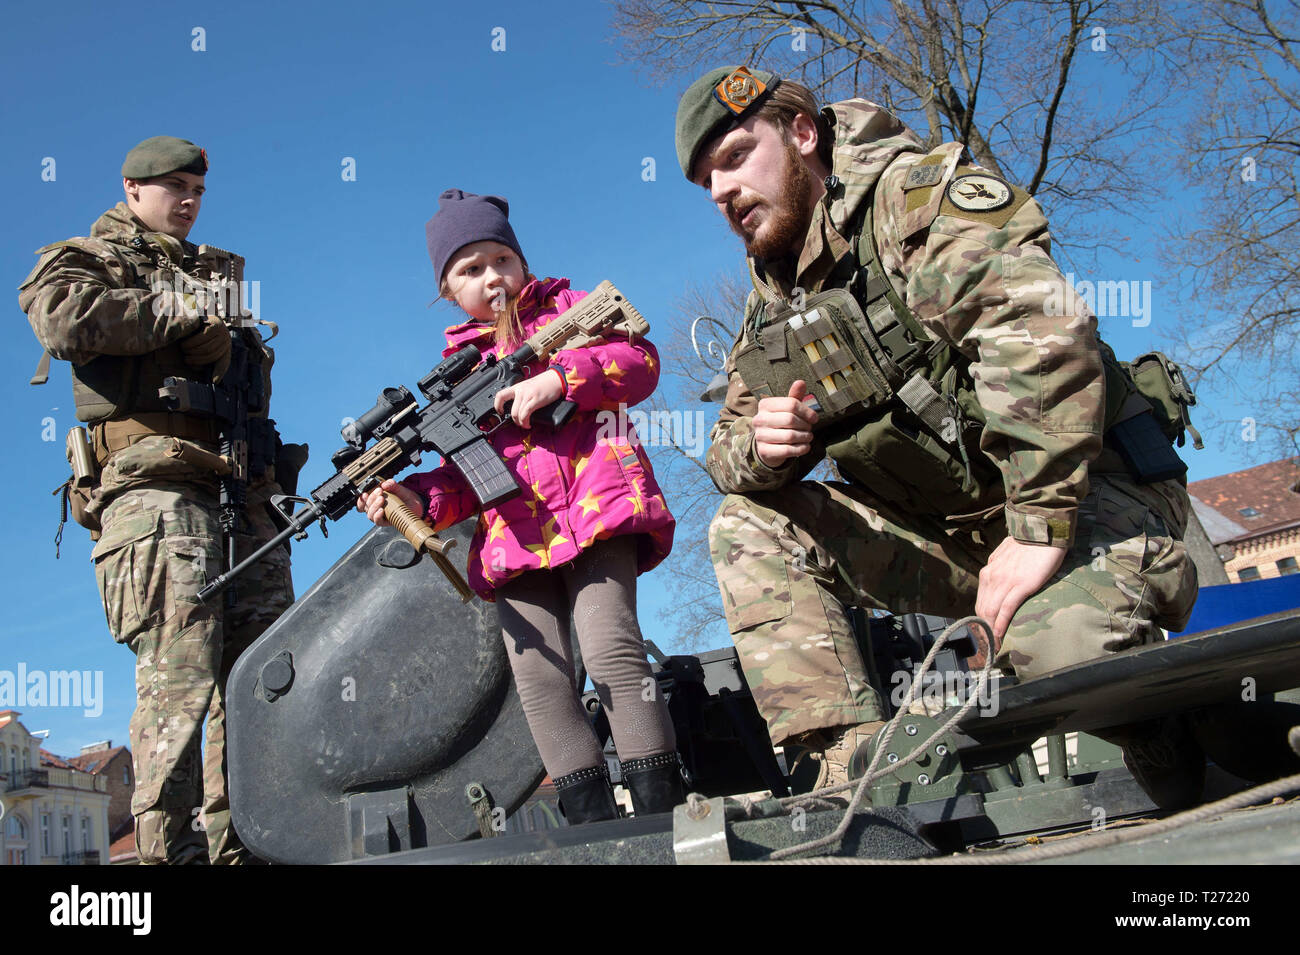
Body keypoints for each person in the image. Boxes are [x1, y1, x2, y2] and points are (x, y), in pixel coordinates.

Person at [674, 67, 1201, 804]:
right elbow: (725, 450)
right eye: (705, 183)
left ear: (801, 134)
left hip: (1088, 500)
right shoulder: (771, 312)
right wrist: (762, 449)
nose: (722, 192)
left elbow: (1037, 330)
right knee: (749, 524)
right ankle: (851, 781)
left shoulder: (911, 201)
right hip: (959, 546)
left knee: (1062, 646)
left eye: (734, 157)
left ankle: (1203, 761)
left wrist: (1040, 521)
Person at [19, 136, 305, 862]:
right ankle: (166, 854)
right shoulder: (89, 257)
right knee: (183, 680)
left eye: (198, 190)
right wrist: (179, 312)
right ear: (131, 188)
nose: (188, 200)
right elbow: (59, 317)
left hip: (241, 492)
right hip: (154, 492)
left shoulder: (219, 276)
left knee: (264, 674)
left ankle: (250, 840)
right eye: (173, 186)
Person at [358, 189, 682, 821]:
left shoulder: (568, 309)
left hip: (597, 508)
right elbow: (460, 481)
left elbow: (637, 362)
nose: (492, 277)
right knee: (538, 676)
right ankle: (591, 825)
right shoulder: (458, 372)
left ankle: (660, 812)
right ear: (448, 293)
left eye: (501, 258)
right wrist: (412, 497)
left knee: (611, 647)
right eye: (471, 269)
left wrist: (559, 378)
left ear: (522, 262)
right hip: (515, 537)